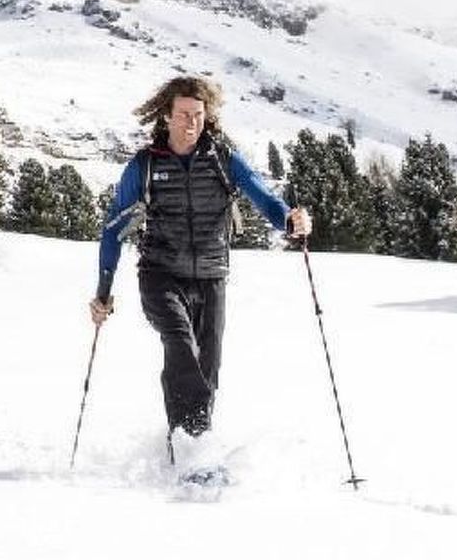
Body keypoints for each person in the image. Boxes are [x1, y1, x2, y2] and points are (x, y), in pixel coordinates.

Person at [90, 75, 308, 466]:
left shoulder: (223, 159)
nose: (191, 122)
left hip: (211, 276)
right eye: (183, 114)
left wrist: (290, 221)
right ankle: (194, 451)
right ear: (167, 116)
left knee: (207, 370)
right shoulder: (144, 165)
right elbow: (113, 229)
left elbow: (264, 198)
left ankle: (187, 445)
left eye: (198, 115)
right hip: (160, 274)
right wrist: (103, 291)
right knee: (179, 345)